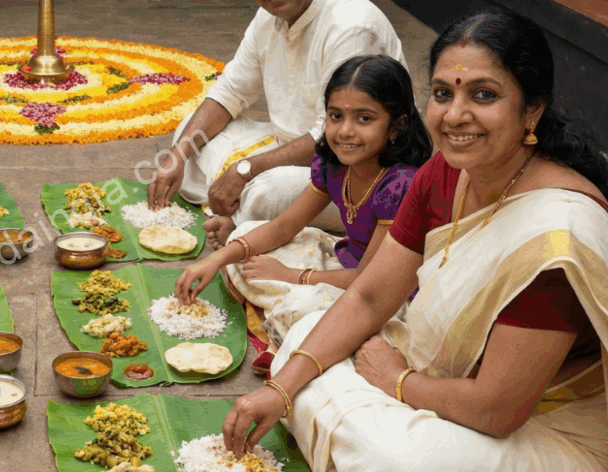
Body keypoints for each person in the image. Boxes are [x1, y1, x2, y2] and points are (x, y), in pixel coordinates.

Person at [223, 12, 608, 472]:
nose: (455, 115)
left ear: (531, 110)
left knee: (396, 470)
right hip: (446, 390)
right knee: (301, 351)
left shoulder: (556, 236)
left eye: (483, 95)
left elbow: (497, 412)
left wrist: (397, 380)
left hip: (555, 434)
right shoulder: (445, 171)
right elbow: (369, 297)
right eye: (442, 93)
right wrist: (282, 391)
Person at [146, 0, 406, 247]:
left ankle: (243, 222)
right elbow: (230, 92)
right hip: (288, 147)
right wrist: (176, 158)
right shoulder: (268, 15)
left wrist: (245, 170)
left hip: (353, 168)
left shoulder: (350, 26)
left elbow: (330, 140)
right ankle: (238, 213)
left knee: (263, 194)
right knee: (187, 138)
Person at [175, 55, 432, 344]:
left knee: (302, 315)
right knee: (244, 235)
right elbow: (285, 226)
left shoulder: (400, 186)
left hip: (385, 291)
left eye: (364, 118)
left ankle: (295, 317)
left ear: (396, 126)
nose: (345, 131)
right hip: (345, 261)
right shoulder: (335, 164)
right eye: (336, 116)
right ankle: (286, 306)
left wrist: (291, 276)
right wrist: (215, 260)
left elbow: (368, 278)